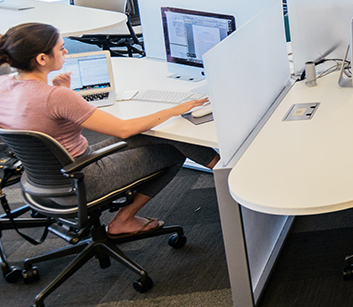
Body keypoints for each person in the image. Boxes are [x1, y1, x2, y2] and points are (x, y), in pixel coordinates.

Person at [0, 23, 219, 237]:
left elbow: (39, 118)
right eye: (61, 48)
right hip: (84, 177)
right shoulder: (55, 97)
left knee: (149, 134)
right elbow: (123, 129)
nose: (66, 51)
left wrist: (63, 93)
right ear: (41, 59)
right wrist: (175, 109)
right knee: (172, 147)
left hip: (43, 178)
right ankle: (124, 220)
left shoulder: (4, 85)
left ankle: (219, 168)